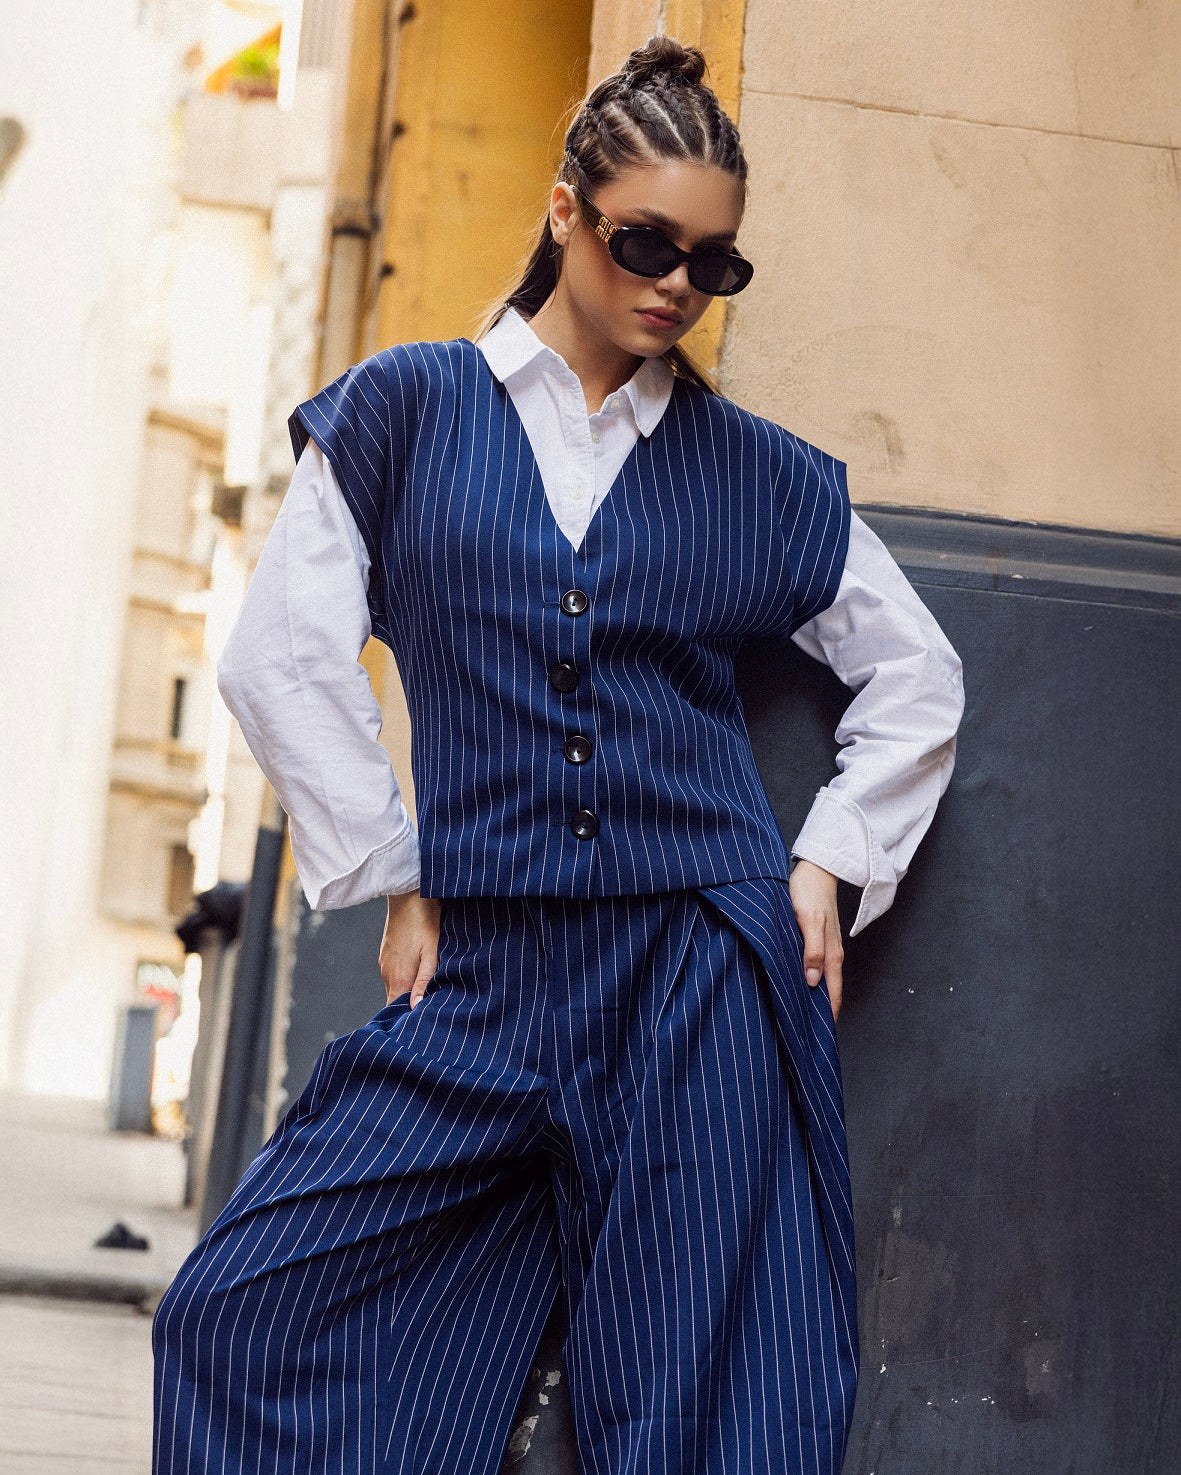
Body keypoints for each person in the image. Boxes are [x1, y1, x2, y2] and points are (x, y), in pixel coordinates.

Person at [152, 35, 964, 1475]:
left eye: (712, 265)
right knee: (246, 1311)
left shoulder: (760, 475)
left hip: (695, 966)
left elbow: (915, 674)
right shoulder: (403, 412)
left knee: (706, 1388)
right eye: (644, 240)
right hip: (482, 963)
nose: (672, 284)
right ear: (563, 211)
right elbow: (278, 652)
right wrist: (397, 867)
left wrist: (830, 861)